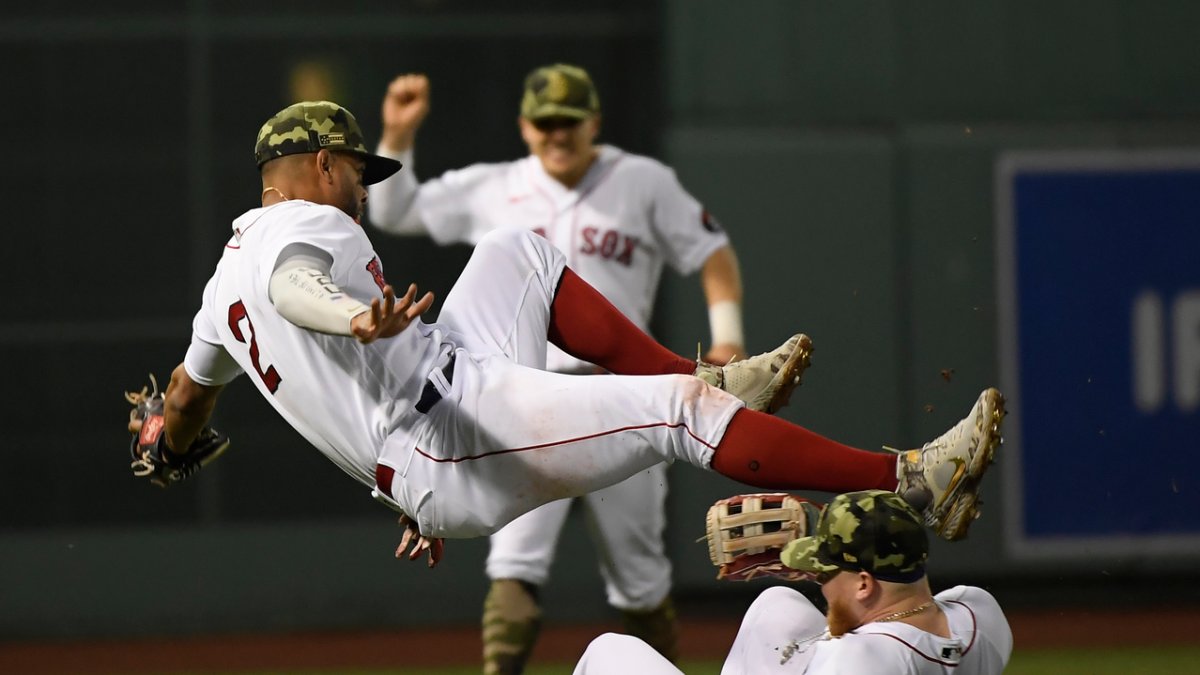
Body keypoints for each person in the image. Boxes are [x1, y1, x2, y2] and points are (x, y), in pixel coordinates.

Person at [136, 98, 1001, 614]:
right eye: (358, 171)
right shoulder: (308, 223)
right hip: (443, 436)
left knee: (519, 250)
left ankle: (694, 372)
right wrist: (351, 317)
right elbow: (296, 285)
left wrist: (165, 446)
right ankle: (912, 479)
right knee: (679, 421)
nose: (363, 187)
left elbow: (183, 397)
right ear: (324, 163)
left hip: (438, 406)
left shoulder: (219, 293)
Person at [366, 63, 748, 672]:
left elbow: (712, 250)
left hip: (626, 395)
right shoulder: (496, 185)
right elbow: (395, 208)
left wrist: (726, 337)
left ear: (594, 122)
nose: (557, 135)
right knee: (514, 566)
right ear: (524, 125)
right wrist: (397, 136)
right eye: (544, 123)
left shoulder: (641, 181)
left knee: (641, 577)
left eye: (569, 122)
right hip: (523, 401)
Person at [572, 490, 1013, 675]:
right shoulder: (981, 616)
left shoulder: (856, 661)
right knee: (780, 604)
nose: (818, 583)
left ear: (863, 584)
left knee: (609, 652)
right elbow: (902, 599)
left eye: (823, 573)